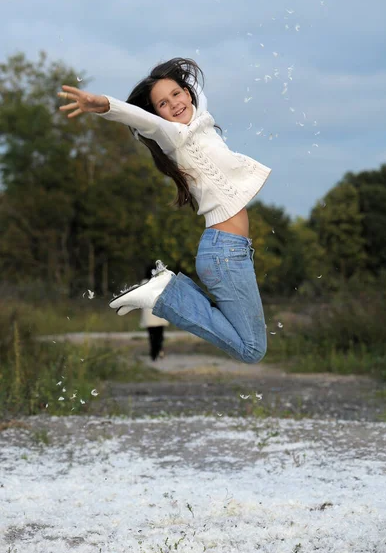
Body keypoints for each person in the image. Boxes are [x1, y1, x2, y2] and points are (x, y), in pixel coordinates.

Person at [58, 57, 271, 364]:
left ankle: (169, 293)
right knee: (251, 349)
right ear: (157, 113)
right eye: (162, 103)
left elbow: (194, 86)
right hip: (223, 253)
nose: (173, 104)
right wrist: (104, 104)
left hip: (229, 252)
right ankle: (166, 295)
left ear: (187, 92)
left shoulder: (202, 118)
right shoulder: (173, 135)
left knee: (251, 344)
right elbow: (142, 119)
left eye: (176, 94)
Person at [139, 264, 169, 361]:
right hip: (159, 312)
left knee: (152, 335)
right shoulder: (161, 282)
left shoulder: (143, 283)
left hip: (149, 314)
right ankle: (160, 349)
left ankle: (153, 352)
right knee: (159, 334)